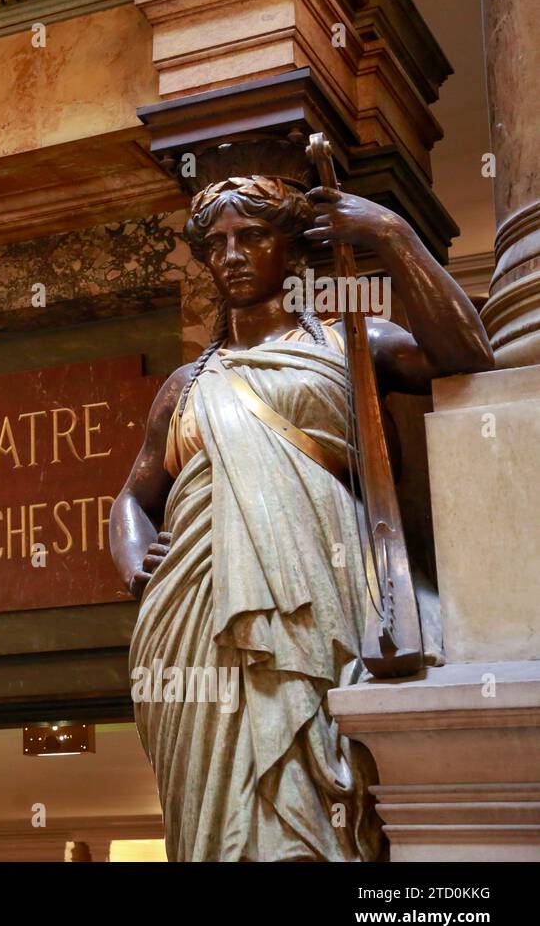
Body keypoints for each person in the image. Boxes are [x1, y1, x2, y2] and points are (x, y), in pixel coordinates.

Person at [108, 175, 494, 861]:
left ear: (290, 250)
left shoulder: (353, 343)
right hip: (194, 614)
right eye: (217, 244)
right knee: (213, 798)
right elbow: (134, 496)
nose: (231, 254)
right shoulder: (187, 385)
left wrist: (391, 236)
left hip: (318, 590)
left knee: (315, 777)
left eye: (252, 236)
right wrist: (136, 562)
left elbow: (465, 355)